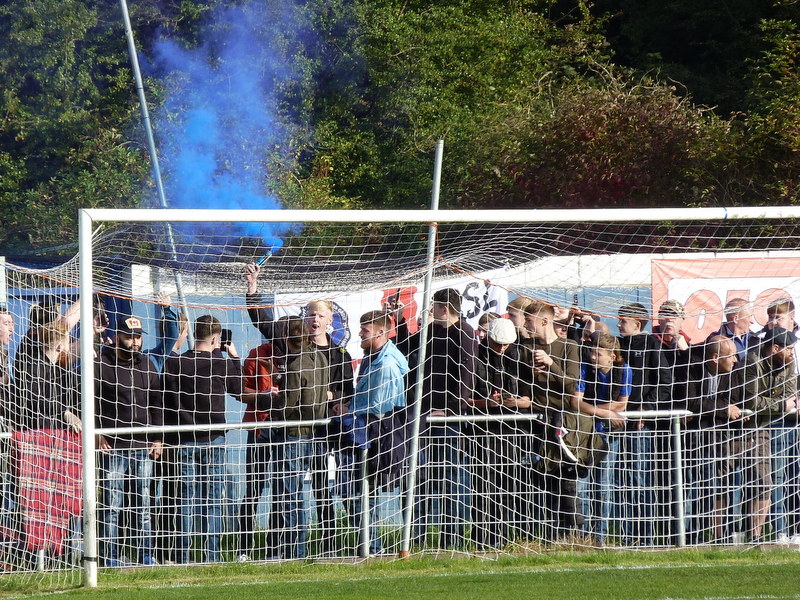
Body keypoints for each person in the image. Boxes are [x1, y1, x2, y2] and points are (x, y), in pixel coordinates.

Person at [396, 288, 477, 549]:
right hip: (422, 415)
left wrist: (453, 410)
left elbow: (467, 374)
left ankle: (451, 540)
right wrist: (399, 320)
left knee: (447, 477)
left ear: (445, 307)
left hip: (446, 420)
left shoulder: (464, 332)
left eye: (433, 305)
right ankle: (415, 538)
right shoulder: (431, 330)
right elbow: (406, 346)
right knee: (417, 475)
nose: (430, 310)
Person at [163, 315, 244, 563]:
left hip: (184, 438)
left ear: (195, 334)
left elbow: (164, 390)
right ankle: (212, 555)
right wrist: (234, 357)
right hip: (213, 438)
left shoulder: (176, 363)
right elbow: (239, 389)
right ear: (216, 338)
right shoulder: (220, 363)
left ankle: (183, 557)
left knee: (184, 499)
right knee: (213, 498)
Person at [339, 310, 409, 556]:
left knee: (356, 489)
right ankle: (370, 544)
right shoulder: (372, 356)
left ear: (380, 332)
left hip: (376, 434)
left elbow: (380, 409)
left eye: (365, 330)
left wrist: (351, 412)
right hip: (366, 429)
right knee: (357, 489)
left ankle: (373, 546)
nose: (360, 334)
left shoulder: (387, 364)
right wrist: (349, 406)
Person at [95, 315, 163, 567]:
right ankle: (109, 557)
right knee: (111, 506)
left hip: (143, 447)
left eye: (138, 337)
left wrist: (158, 438)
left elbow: (157, 403)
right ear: (118, 337)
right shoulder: (101, 364)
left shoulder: (147, 365)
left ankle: (145, 555)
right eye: (129, 337)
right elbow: (89, 401)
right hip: (113, 447)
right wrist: (97, 432)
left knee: (143, 505)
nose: (135, 342)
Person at [520, 300, 582, 541]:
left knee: (567, 480)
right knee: (541, 480)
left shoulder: (569, 346)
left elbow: (572, 384)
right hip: (536, 421)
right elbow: (522, 386)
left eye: (529, 321)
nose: (526, 325)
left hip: (563, 422)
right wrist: (532, 375)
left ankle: (576, 536)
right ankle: (547, 536)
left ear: (545, 321)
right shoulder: (525, 347)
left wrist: (550, 364)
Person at [467, 317, 530, 549]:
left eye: (506, 344)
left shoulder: (520, 357)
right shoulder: (474, 357)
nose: (502, 348)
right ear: (488, 338)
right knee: (483, 487)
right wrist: (485, 403)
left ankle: (503, 539)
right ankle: (481, 541)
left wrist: (516, 402)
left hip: (513, 432)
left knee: (508, 487)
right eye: (497, 344)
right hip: (483, 432)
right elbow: (464, 399)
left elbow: (529, 398)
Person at [272, 316, 329, 559]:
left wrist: (273, 400)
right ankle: (299, 548)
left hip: (295, 433)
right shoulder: (320, 358)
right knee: (300, 493)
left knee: (291, 495)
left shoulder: (296, 366)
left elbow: (287, 405)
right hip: (314, 432)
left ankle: (295, 550)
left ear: (287, 338)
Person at [615, 302, 670, 546]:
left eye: (623, 321)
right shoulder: (615, 344)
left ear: (637, 324)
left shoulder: (651, 344)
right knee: (619, 481)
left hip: (639, 426)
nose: (618, 324)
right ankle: (624, 535)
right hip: (613, 421)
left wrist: (645, 410)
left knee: (639, 478)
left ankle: (644, 537)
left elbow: (665, 382)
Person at [572, 334, 632, 545]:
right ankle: (583, 536)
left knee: (604, 485)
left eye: (598, 354)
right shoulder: (585, 369)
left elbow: (621, 404)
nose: (592, 357)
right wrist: (604, 412)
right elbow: (575, 402)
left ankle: (600, 537)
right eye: (592, 352)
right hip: (585, 431)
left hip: (609, 434)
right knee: (582, 485)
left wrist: (591, 408)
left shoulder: (624, 370)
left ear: (612, 357)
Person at [684, 335, 743, 543]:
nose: (735, 360)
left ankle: (704, 534)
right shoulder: (692, 368)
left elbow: (734, 400)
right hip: (691, 436)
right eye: (731, 356)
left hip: (718, 435)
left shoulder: (733, 370)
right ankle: (686, 536)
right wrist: (723, 409)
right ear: (715, 357)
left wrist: (716, 408)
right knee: (690, 484)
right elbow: (691, 401)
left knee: (713, 484)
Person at [742, 327, 797, 542]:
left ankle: (756, 537)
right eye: (789, 348)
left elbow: (790, 395)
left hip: (762, 427)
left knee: (764, 481)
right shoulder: (751, 362)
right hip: (735, 427)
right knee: (725, 483)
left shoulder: (788, 363)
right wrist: (780, 405)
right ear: (775, 348)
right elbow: (751, 402)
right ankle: (722, 537)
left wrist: (780, 404)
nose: (792, 353)